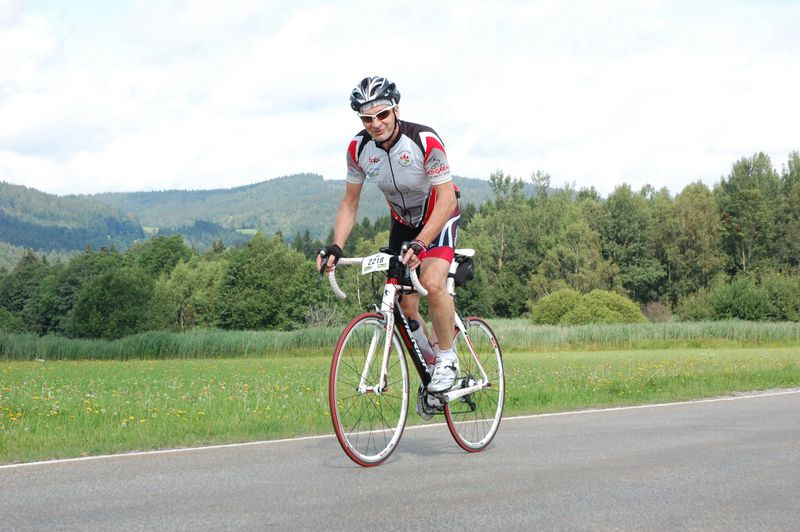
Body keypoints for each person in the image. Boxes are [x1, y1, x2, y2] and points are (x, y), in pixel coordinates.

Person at [317, 75, 461, 395]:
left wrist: (422, 242)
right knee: (403, 305)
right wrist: (336, 245)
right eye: (366, 118)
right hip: (402, 222)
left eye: (382, 114)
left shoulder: (423, 140)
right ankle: (431, 369)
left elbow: (447, 197)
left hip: (439, 213)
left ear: (396, 110)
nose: (375, 123)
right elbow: (350, 202)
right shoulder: (358, 149)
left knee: (432, 282)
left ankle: (447, 358)